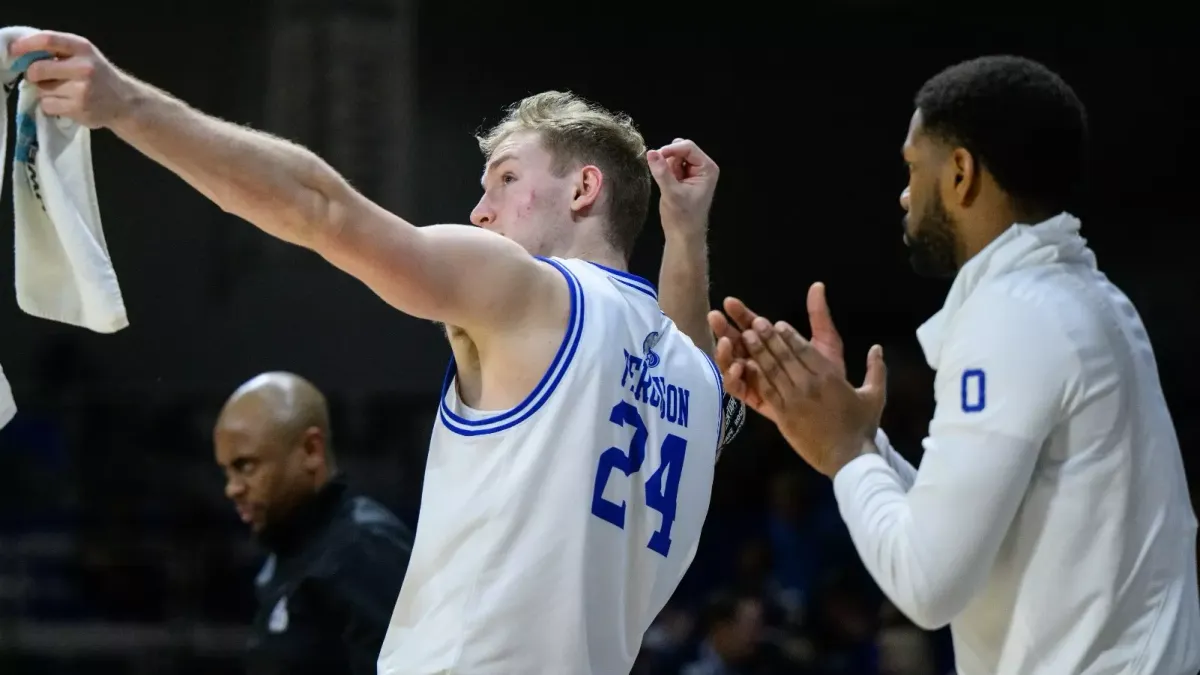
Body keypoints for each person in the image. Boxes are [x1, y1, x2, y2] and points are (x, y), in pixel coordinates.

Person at [13, 30, 744, 674]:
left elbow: (321, 208)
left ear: (585, 188)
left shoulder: (530, 291)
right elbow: (687, 349)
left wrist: (127, 106)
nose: (479, 210)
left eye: (508, 178)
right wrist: (685, 233)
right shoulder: (693, 387)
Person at [709, 55, 1200, 674]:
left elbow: (927, 584)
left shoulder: (1016, 316)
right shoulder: (1083, 299)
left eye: (915, 167)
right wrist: (858, 441)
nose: (905, 193)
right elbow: (960, 537)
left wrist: (846, 451)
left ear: (961, 172)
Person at [213, 371, 414, 675]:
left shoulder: (364, 548)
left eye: (246, 466)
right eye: (227, 471)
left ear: (311, 450)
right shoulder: (286, 556)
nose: (232, 488)